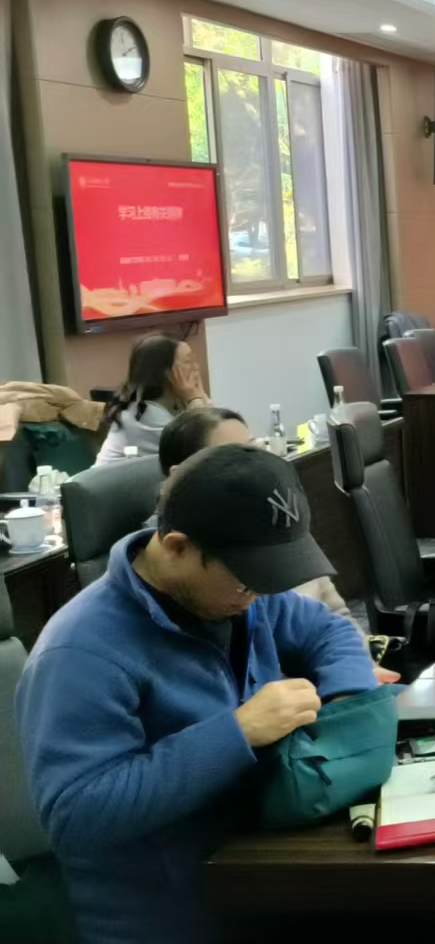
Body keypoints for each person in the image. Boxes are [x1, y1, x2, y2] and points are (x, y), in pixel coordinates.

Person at [15, 444, 387, 944]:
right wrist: (237, 734)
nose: (258, 596)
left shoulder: (235, 594)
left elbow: (328, 630)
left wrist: (346, 705)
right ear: (176, 547)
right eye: (246, 581)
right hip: (174, 920)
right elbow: (76, 817)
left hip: (262, 873)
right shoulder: (79, 653)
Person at [153, 407, 359, 627]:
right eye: (233, 460)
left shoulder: (275, 517)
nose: (256, 467)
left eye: (252, 450)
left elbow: (336, 617)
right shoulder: (201, 565)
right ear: (180, 477)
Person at [95, 334, 209, 464]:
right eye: (188, 362)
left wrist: (199, 396)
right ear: (166, 372)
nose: (196, 367)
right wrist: (196, 397)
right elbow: (206, 446)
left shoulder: (174, 402)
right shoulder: (145, 414)